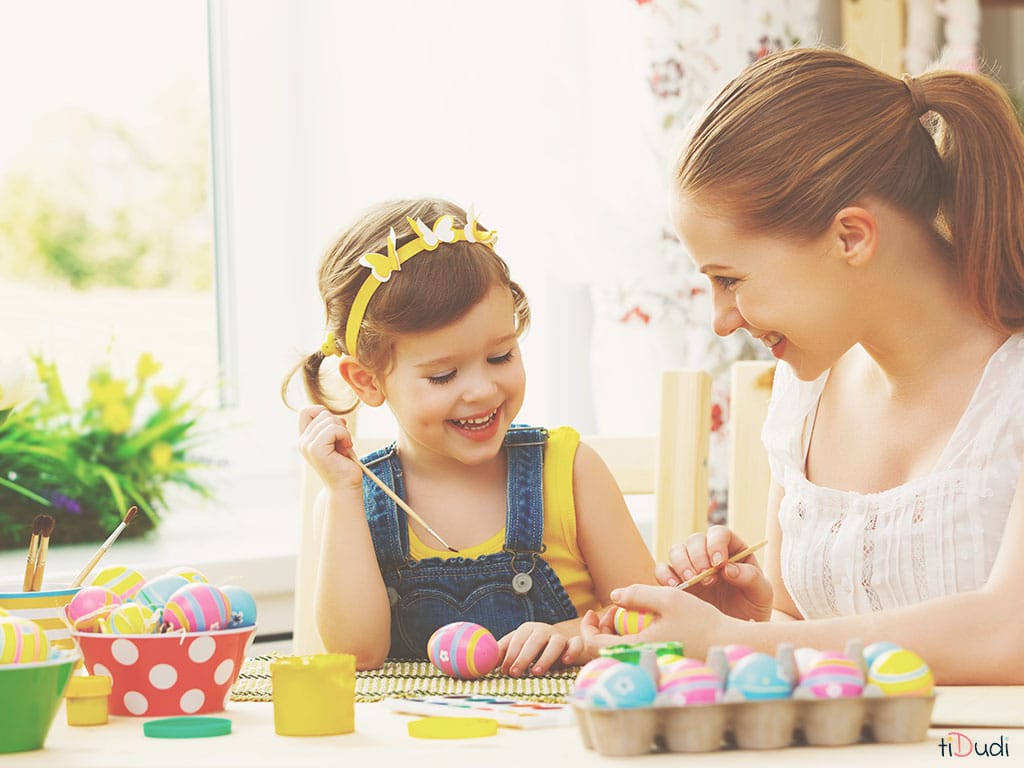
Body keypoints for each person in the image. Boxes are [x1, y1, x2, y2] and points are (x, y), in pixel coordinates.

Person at [580, 47, 1024, 685]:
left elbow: (1008, 635)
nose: (722, 319)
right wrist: (754, 622)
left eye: (730, 279)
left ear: (851, 237)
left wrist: (731, 644)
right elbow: (801, 632)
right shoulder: (804, 397)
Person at [285, 198, 656, 673]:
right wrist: (340, 492)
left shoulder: (570, 470)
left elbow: (651, 620)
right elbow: (357, 655)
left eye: (500, 356)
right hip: (419, 741)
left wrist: (571, 636)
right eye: (443, 375)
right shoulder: (353, 503)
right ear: (368, 382)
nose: (481, 390)